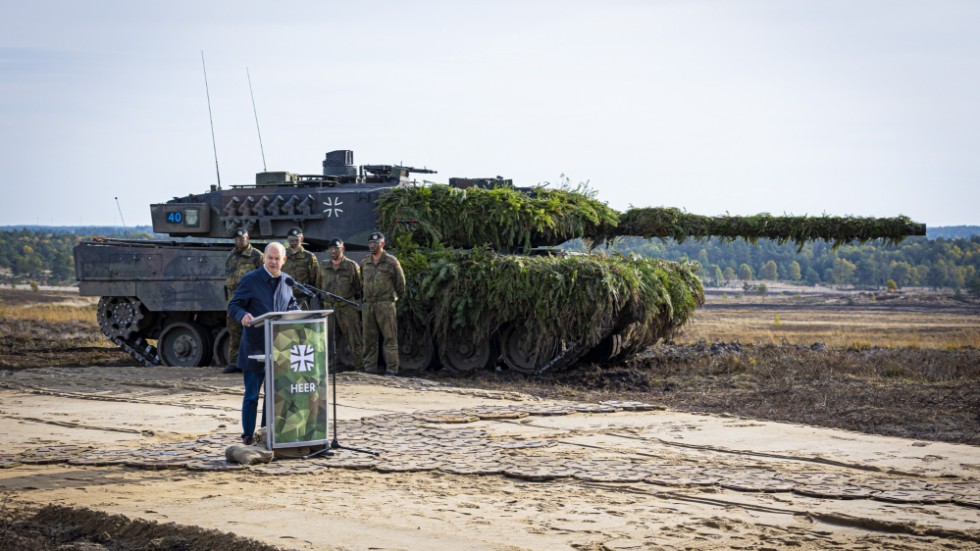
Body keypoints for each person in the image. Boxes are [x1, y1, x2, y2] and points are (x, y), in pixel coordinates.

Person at [227, 242, 300, 445]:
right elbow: (234, 305)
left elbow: (291, 305)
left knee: (272, 395)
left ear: (284, 261)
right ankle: (248, 436)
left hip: (278, 348)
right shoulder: (251, 280)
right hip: (254, 347)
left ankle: (266, 434)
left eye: (278, 259)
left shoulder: (288, 282)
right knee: (251, 395)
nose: (274, 262)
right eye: (270, 258)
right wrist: (242, 315)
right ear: (264, 258)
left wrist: (298, 315)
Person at [360, 232, 405, 376]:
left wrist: (391, 299)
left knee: (389, 338)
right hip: (369, 305)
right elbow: (362, 282)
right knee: (369, 338)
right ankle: (369, 368)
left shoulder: (391, 262)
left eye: (375, 244)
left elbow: (401, 284)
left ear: (382, 244)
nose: (372, 246)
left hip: (385, 304)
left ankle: (392, 369)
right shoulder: (365, 262)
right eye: (370, 244)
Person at [317, 238, 364, 371]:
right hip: (329, 308)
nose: (333, 251)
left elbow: (358, 287)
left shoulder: (351, 266)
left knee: (354, 339)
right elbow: (319, 285)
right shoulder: (323, 266)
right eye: (330, 249)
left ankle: (359, 367)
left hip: (346, 307)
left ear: (342, 249)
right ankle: (332, 367)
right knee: (329, 339)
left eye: (336, 249)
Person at [223, 228, 263, 374]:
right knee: (234, 331)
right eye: (237, 239)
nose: (239, 241)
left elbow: (263, 277)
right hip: (234, 297)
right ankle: (234, 363)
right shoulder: (231, 256)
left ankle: (252, 362)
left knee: (253, 331)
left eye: (242, 238)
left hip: (251, 298)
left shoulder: (256, 256)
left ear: (248, 238)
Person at [284, 227, 319, 309]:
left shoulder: (309, 257)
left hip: (303, 298)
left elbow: (316, 279)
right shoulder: (282, 255)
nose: (293, 242)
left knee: (303, 321)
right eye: (291, 239)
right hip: (284, 297)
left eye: (296, 239)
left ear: (301, 239)